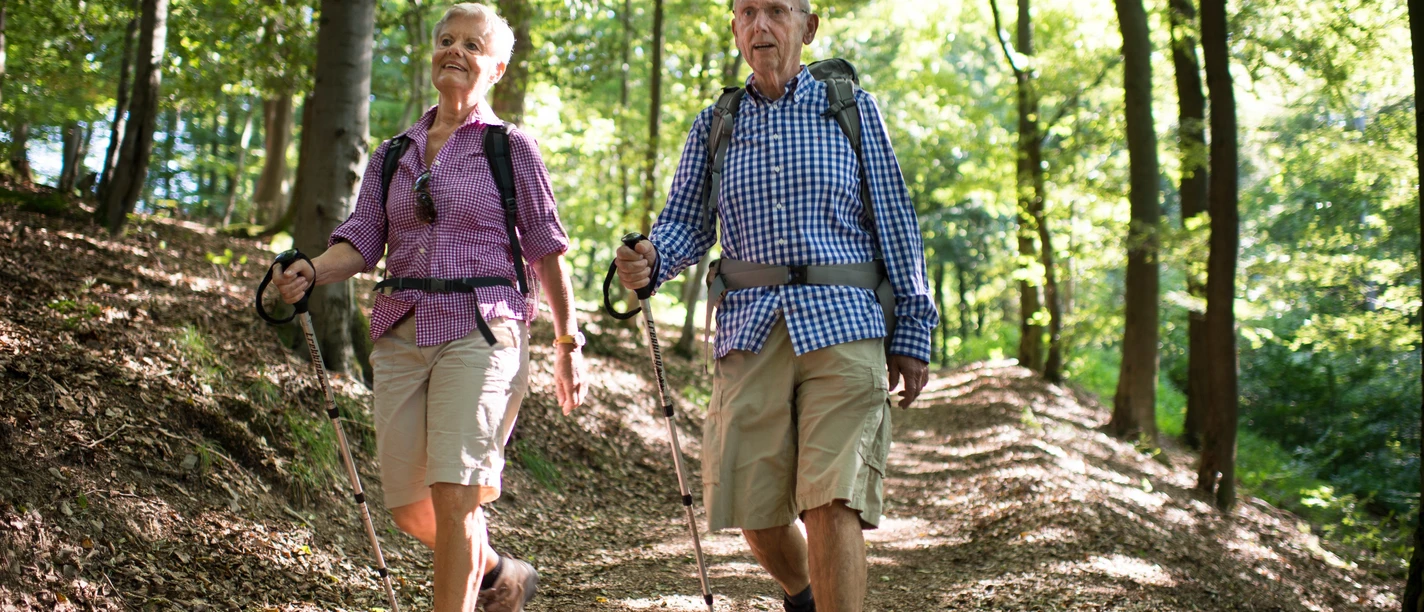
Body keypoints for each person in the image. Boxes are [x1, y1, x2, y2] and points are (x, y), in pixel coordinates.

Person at [613, 1, 938, 611]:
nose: (762, 25)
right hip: (749, 329)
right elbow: (685, 224)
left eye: (778, 11)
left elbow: (896, 220)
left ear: (807, 27)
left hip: (844, 319)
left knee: (831, 498)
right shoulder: (717, 123)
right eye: (747, 12)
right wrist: (652, 260)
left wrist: (913, 329)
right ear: (736, 29)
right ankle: (807, 597)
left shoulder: (851, 110)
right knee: (753, 509)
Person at [267, 4, 585, 611]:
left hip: (484, 328)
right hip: (400, 329)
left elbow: (548, 252)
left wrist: (567, 346)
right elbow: (360, 239)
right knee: (409, 506)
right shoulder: (394, 153)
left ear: (495, 68)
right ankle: (499, 574)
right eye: (446, 40)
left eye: (472, 44)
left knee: (456, 490)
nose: (455, 52)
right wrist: (311, 269)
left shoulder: (511, 148)